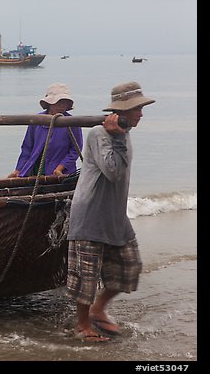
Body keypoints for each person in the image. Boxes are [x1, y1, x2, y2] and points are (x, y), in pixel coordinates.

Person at [66, 81, 155, 342]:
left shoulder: (123, 134)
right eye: (138, 109)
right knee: (87, 277)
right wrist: (115, 136)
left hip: (115, 215)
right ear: (124, 111)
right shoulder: (98, 134)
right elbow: (113, 171)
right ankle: (83, 325)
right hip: (91, 213)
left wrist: (119, 135)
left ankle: (98, 309)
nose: (141, 114)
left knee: (130, 267)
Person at [7, 83, 83, 178]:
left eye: (65, 102)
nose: (62, 105)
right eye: (59, 102)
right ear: (50, 103)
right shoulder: (37, 120)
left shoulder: (72, 123)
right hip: (35, 168)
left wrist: (60, 167)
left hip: (62, 171)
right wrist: (18, 169)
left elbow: (75, 150)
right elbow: (27, 148)